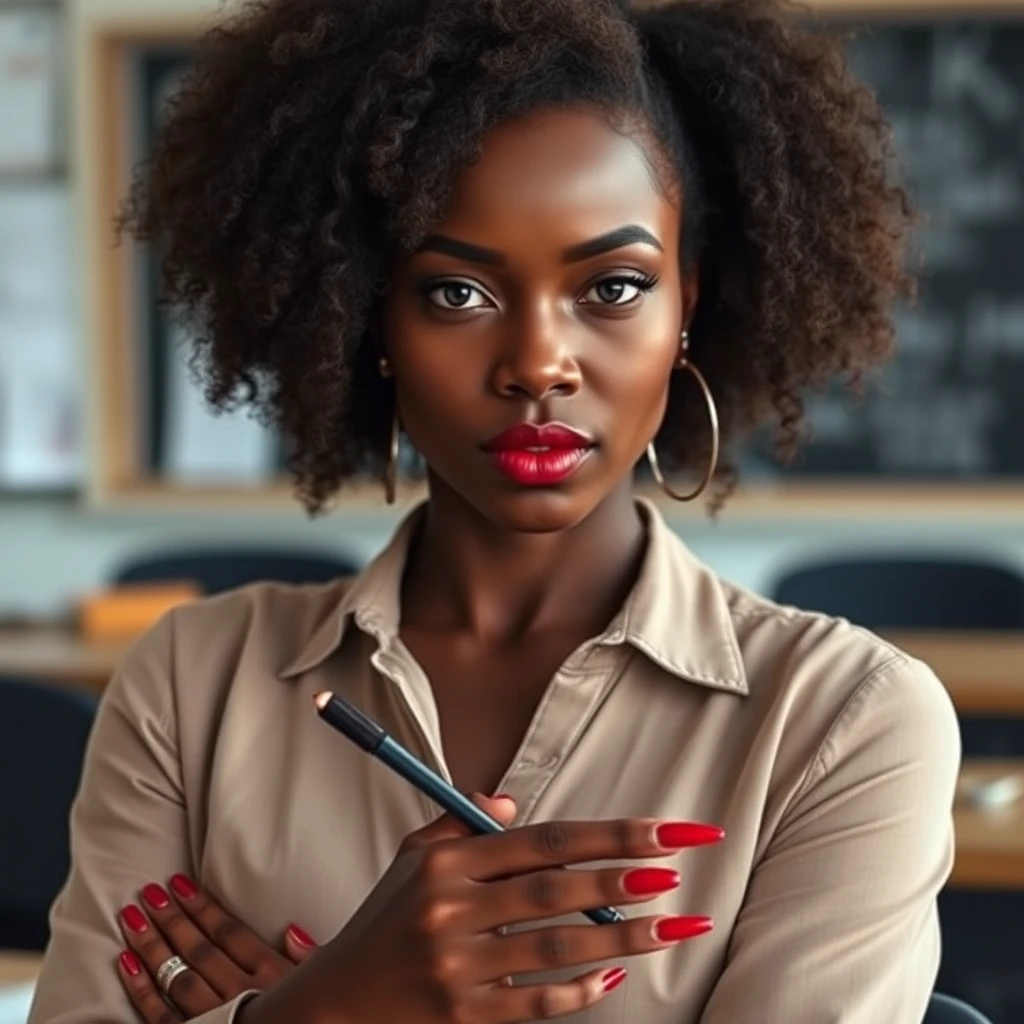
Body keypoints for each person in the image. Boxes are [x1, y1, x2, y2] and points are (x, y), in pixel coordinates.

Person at [29, 0, 961, 1021]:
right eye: (456, 294)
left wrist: (295, 1007)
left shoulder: (843, 719)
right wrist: (335, 1000)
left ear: (685, 304)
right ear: (368, 314)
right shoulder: (189, 685)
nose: (536, 364)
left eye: (611, 285)